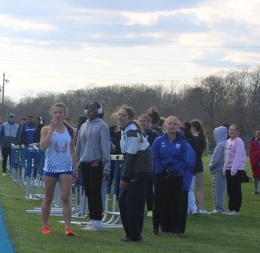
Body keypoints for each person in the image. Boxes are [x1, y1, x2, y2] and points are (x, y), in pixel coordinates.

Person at [152, 116, 196, 237]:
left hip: (176, 176)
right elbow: (154, 158)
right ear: (165, 126)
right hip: (161, 175)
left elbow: (184, 161)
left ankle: (176, 229)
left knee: (176, 203)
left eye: (175, 124)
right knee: (158, 202)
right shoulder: (158, 140)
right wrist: (161, 170)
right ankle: (156, 228)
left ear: (178, 127)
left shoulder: (182, 142)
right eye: (170, 123)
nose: (172, 126)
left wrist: (172, 170)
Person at [39, 103, 77, 236]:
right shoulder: (45, 129)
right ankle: (45, 225)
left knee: (65, 197)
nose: (58, 115)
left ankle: (68, 226)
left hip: (65, 167)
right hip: (51, 167)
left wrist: (75, 169)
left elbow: (72, 150)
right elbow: (43, 147)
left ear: (65, 114)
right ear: (52, 114)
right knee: (48, 197)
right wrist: (51, 131)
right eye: (55, 112)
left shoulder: (70, 130)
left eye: (61, 112)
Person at [116, 105, 153, 242]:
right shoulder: (126, 131)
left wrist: (124, 178)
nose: (120, 117)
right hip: (135, 170)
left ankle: (135, 235)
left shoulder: (131, 132)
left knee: (132, 204)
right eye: (119, 114)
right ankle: (130, 233)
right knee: (123, 202)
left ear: (130, 118)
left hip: (140, 171)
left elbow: (130, 157)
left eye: (124, 115)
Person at [75, 101, 111, 231]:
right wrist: (77, 164)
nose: (91, 110)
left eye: (94, 108)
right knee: (88, 192)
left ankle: (98, 221)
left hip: (96, 163)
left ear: (99, 110)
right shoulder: (83, 126)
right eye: (89, 108)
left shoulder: (103, 126)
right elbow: (78, 146)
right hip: (84, 163)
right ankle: (92, 219)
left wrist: (106, 167)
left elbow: (105, 146)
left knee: (96, 192)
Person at [224, 123, 246, 215]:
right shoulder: (228, 141)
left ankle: (236, 209)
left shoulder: (239, 142)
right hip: (228, 168)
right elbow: (226, 155)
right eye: (230, 130)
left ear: (237, 132)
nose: (231, 131)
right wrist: (225, 168)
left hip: (237, 169)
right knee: (229, 189)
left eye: (233, 130)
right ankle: (231, 208)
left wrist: (234, 169)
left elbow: (238, 156)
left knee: (236, 189)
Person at [188, 119, 209, 214]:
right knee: (200, 187)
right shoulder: (204, 138)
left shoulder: (189, 138)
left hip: (190, 163)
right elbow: (207, 153)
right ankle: (202, 208)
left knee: (188, 188)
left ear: (193, 127)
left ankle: (188, 208)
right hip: (199, 163)